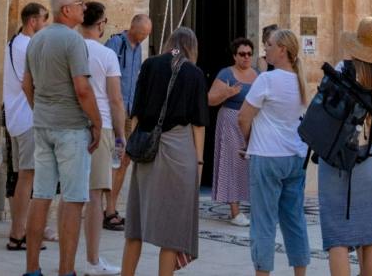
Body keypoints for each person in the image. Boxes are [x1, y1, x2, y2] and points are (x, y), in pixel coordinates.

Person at [22, 0, 105, 276]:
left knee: (41, 195)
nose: (84, 8)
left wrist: (41, 110)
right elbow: (82, 89)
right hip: (70, 128)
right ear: (66, 10)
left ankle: (32, 269)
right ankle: (66, 270)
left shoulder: (36, 39)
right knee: (72, 199)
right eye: (80, 4)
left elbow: (26, 85)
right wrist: (97, 122)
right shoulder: (73, 41)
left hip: (43, 125)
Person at [319, 16, 372, 276]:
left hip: (336, 157)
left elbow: (322, 107)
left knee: (338, 237)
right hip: (371, 156)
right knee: (371, 234)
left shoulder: (341, 70)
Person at [122, 26, 207, 276]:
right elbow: (198, 123)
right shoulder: (194, 73)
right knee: (172, 230)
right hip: (179, 149)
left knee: (136, 223)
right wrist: (199, 161)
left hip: (148, 146)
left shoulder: (150, 65)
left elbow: (135, 112)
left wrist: (135, 146)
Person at [240, 28, 310, 276]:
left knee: (263, 222)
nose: (265, 49)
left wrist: (248, 142)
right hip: (295, 157)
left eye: (269, 45)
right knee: (294, 221)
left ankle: (262, 273)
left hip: (268, 155)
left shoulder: (266, 79)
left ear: (282, 49)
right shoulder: (300, 82)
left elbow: (244, 117)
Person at [80, 3, 128, 276]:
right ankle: (93, 260)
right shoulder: (106, 54)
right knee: (95, 195)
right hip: (102, 125)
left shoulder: (70, 48)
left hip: (73, 125)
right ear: (101, 24)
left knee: (71, 196)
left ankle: (67, 258)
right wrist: (121, 136)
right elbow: (116, 98)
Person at [5, 1, 49, 252]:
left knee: (23, 176)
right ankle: (19, 233)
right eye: (44, 19)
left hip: (15, 118)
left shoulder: (12, 43)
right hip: (28, 119)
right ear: (33, 21)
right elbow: (30, 85)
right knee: (27, 177)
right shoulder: (30, 46)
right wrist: (39, 110)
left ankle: (19, 231)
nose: (46, 24)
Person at [103, 12, 151, 233]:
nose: (142, 38)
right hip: (115, 111)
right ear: (132, 27)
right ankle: (108, 210)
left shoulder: (138, 48)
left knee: (123, 161)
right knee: (111, 160)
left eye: (146, 35)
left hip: (130, 112)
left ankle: (111, 209)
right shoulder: (116, 43)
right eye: (141, 33)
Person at [208, 36, 258, 226]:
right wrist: (227, 93)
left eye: (249, 54)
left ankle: (254, 206)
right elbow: (210, 99)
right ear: (235, 56)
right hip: (231, 120)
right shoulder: (226, 74)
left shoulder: (259, 75)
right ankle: (235, 211)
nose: (246, 57)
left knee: (253, 164)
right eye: (242, 54)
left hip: (253, 123)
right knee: (232, 163)